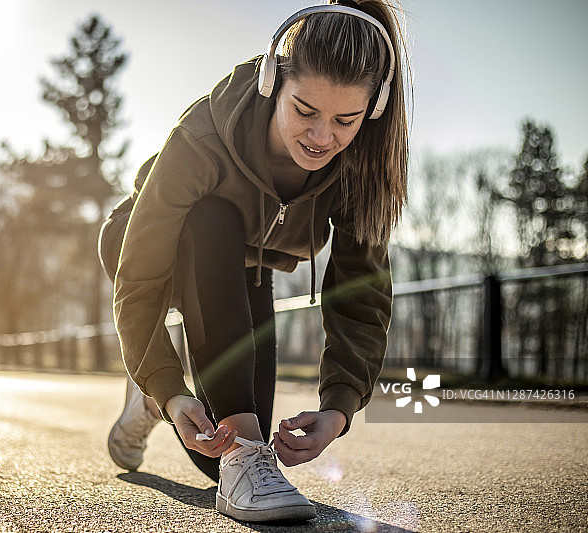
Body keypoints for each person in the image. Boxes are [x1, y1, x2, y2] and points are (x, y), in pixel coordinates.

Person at [98, 0, 409, 522]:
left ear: (371, 111)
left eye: (345, 120)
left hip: (246, 270)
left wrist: (339, 408)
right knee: (212, 217)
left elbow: (361, 293)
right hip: (149, 247)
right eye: (304, 111)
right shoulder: (201, 139)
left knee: (224, 452)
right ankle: (158, 385)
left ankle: (146, 401)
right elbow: (140, 278)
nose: (321, 137)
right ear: (272, 82)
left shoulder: (361, 165)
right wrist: (172, 386)